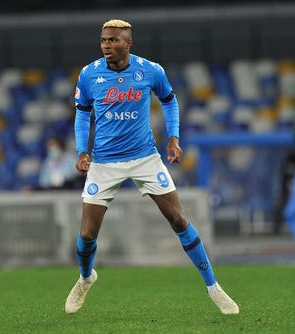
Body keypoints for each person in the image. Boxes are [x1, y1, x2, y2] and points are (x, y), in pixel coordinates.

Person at [65, 19, 239, 314]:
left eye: (113, 40)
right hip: (104, 162)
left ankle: (214, 288)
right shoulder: (89, 74)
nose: (106, 45)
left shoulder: (151, 70)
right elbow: (82, 115)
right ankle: (85, 278)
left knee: (179, 220)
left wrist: (173, 136)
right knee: (86, 235)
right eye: (104, 40)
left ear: (128, 43)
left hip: (145, 157)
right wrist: (83, 151)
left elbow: (170, 101)